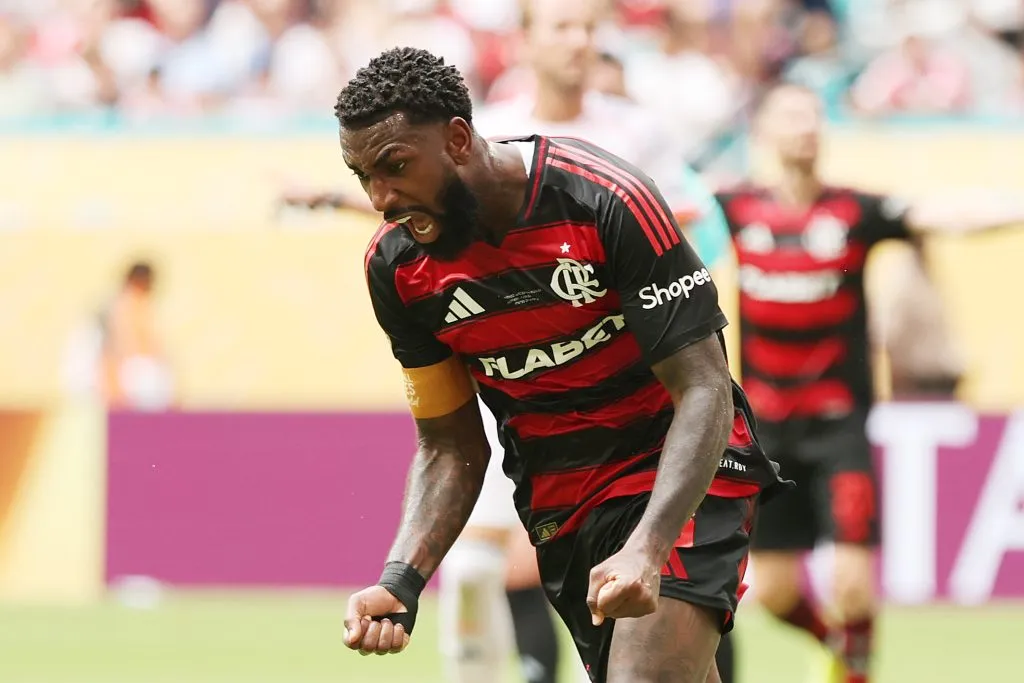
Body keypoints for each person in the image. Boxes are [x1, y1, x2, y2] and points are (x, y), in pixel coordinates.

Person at [283, 1, 733, 680]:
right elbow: (449, 443)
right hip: (561, 494)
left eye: (395, 167)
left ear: (459, 139)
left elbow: (703, 385)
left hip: (672, 463)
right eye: (364, 177)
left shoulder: (606, 199)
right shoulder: (399, 268)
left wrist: (650, 542)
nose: (379, 196)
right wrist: (402, 577)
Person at [713, 82, 1024, 683]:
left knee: (853, 585)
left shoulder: (855, 210)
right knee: (773, 592)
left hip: (840, 426)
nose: (805, 126)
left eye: (812, 116)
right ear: (765, 134)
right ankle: (841, 651)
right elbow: (666, 220)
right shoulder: (734, 209)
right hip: (765, 429)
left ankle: (854, 670)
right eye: (790, 115)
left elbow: (949, 215)